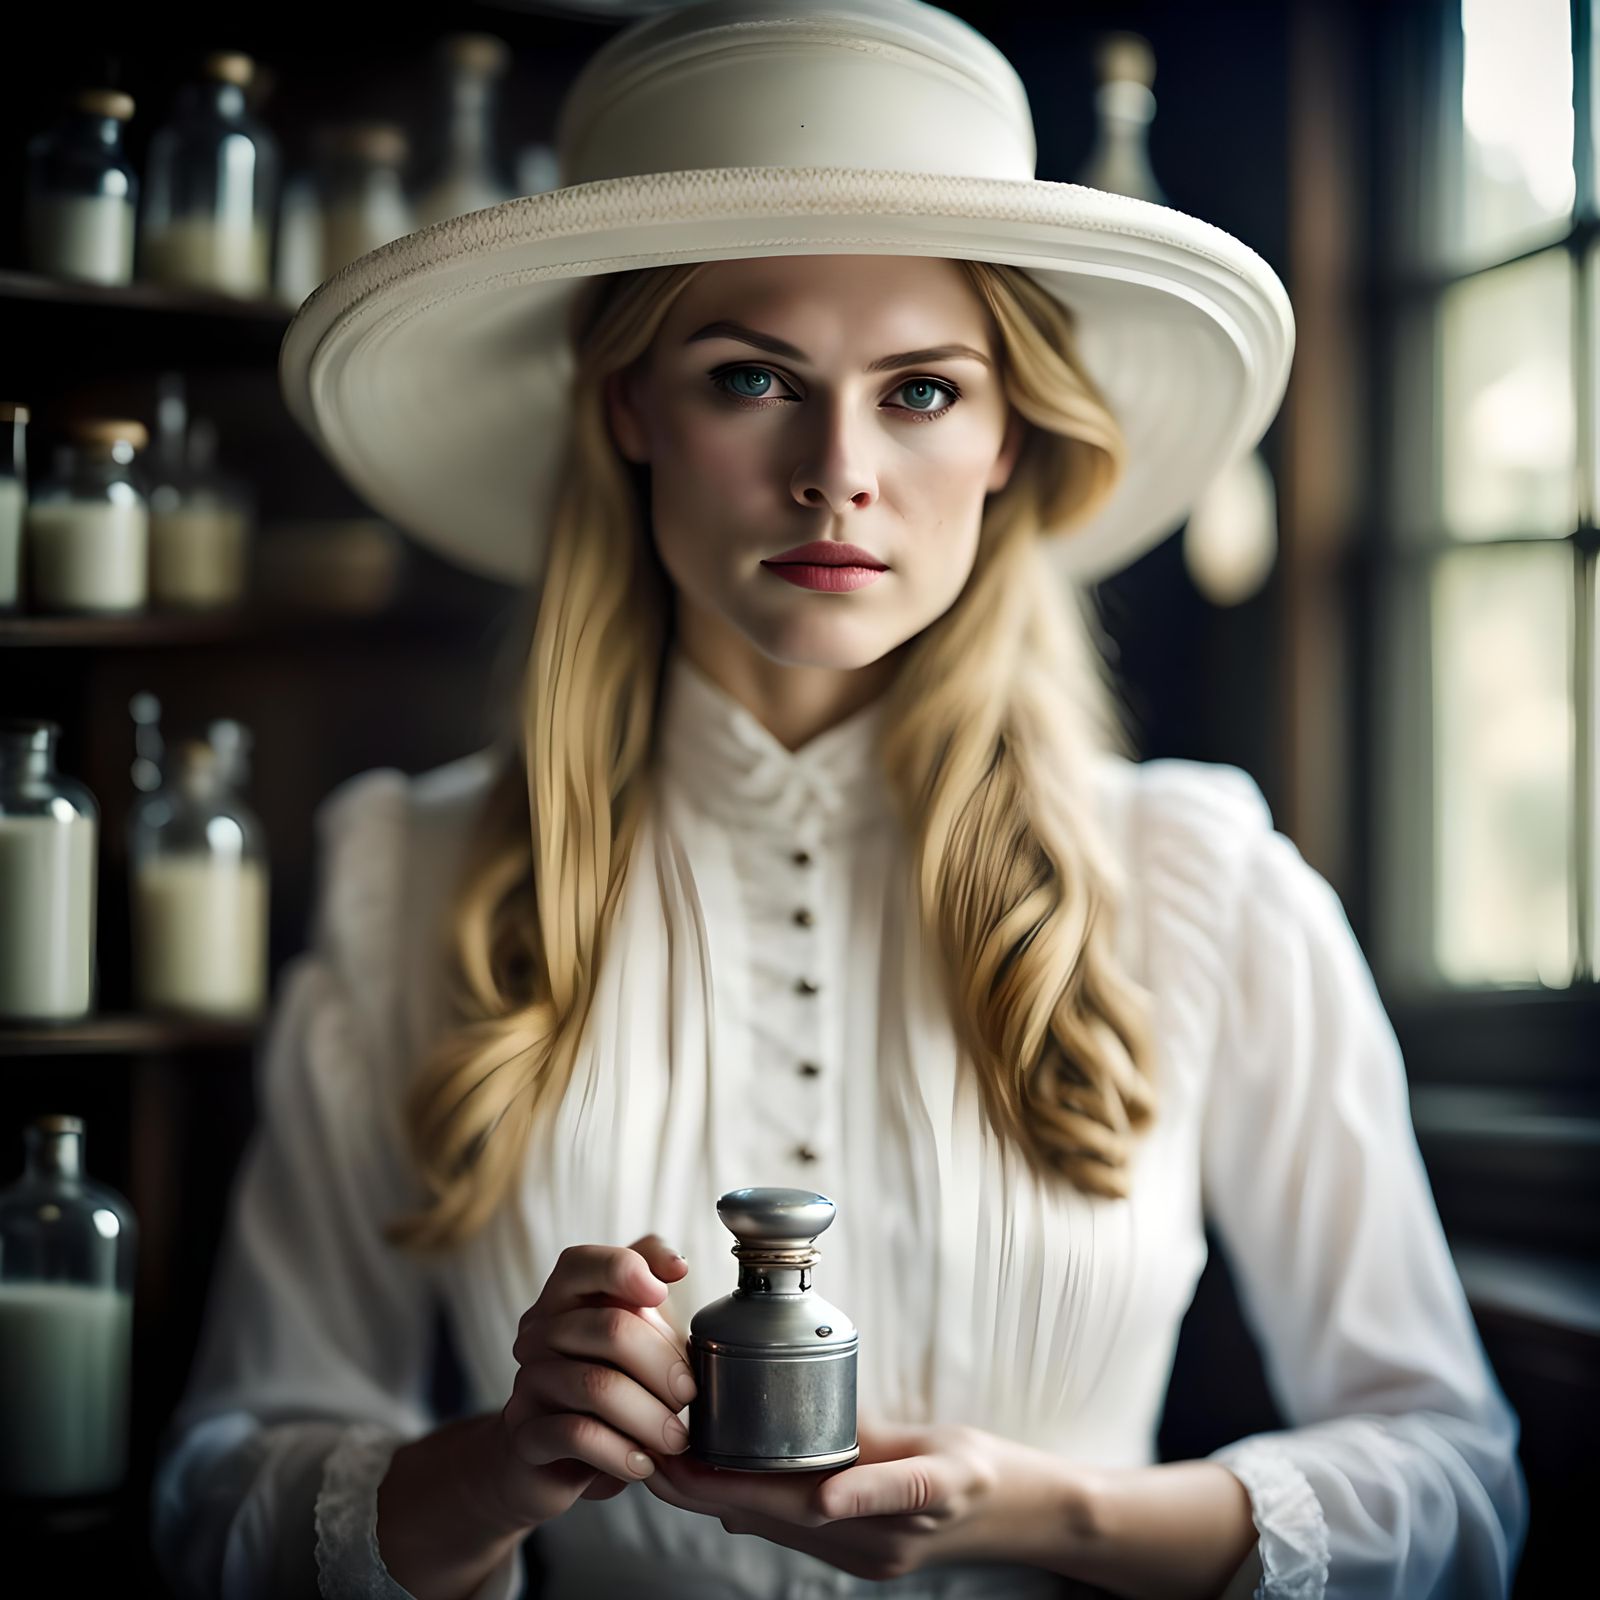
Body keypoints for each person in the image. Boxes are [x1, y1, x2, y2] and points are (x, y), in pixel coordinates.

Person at [150, 2, 1527, 1597]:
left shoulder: (1201, 877)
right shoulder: (415, 875)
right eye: (752, 377)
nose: (838, 472)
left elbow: (1453, 1480)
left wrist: (1045, 1509)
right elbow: (218, 1499)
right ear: (628, 411)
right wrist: (493, 1470)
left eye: (923, 392)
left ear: (1013, 431)